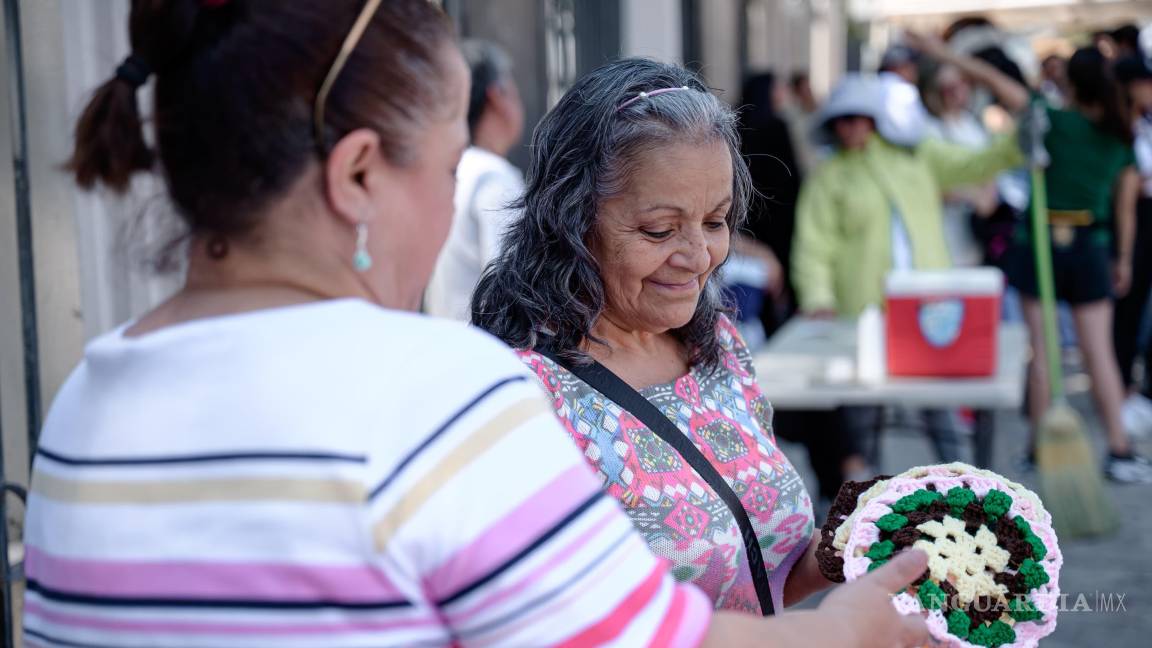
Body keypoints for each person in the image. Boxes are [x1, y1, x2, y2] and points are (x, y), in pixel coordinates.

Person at [21, 2, 932, 647]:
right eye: (451, 164)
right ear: (359, 174)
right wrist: (846, 634)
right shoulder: (439, 393)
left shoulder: (83, 407)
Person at [474, 57, 878, 619]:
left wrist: (866, 536)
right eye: (660, 230)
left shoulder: (717, 346)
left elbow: (759, 575)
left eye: (715, 222)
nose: (698, 258)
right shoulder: (520, 396)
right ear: (570, 218)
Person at [791, 55, 1026, 473]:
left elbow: (975, 164)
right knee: (861, 415)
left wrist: (1018, 142)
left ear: (874, 120)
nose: (851, 129)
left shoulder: (918, 156)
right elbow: (813, 244)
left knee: (938, 407)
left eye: (858, 119)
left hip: (927, 303)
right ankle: (867, 501)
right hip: (862, 309)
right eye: (842, 121)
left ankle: (962, 486)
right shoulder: (829, 177)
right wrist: (818, 296)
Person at [1000, 47, 1152, 483]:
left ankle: (1034, 447)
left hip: (1041, 244)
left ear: (1070, 80)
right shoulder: (1120, 134)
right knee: (1098, 352)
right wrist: (1122, 258)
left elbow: (1001, 86)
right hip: (1090, 247)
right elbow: (1125, 209)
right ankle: (1119, 449)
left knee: (1042, 352)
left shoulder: (1053, 120)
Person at [425, 39, 524, 320]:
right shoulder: (493, 177)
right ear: (498, 97)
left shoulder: (456, 170)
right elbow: (512, 287)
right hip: (485, 349)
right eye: (513, 89)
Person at [1112, 56, 1152, 439]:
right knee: (1128, 308)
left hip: (1142, 216)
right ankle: (1121, 389)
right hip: (1135, 221)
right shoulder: (1121, 127)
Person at [783, 70, 820, 174]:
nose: (807, 94)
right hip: (800, 165)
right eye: (803, 90)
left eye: (808, 89)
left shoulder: (820, 112)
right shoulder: (790, 115)